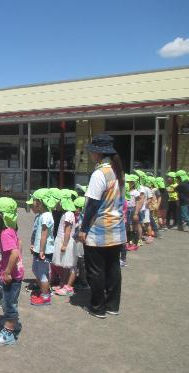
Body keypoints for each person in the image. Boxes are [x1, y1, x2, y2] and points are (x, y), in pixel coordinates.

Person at [78, 134, 126, 319]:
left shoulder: (99, 173)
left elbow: (92, 204)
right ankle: (113, 304)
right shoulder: (118, 170)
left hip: (98, 229)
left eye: (92, 151)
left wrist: (83, 229)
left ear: (98, 152)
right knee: (113, 267)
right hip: (116, 227)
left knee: (96, 270)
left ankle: (97, 306)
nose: (91, 154)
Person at [0, 197, 24, 347]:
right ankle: (13, 323)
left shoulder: (5, 232)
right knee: (10, 301)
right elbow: (19, 244)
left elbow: (14, 253)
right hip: (15, 272)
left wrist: (8, 271)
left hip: (11, 275)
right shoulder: (11, 228)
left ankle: (8, 333)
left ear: (0, 214)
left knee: (9, 303)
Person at [26, 188, 57, 306]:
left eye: (34, 200)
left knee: (43, 273)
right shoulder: (42, 215)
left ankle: (45, 297)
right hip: (39, 249)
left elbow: (44, 235)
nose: (32, 203)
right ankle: (45, 290)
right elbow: (38, 233)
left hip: (44, 250)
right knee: (35, 269)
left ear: (40, 202)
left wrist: (42, 250)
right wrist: (34, 246)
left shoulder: (46, 216)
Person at [52, 190, 78, 297]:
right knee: (64, 265)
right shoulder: (65, 213)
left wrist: (65, 244)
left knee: (70, 265)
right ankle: (63, 283)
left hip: (65, 241)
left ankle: (68, 286)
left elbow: (68, 230)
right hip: (61, 240)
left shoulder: (69, 214)